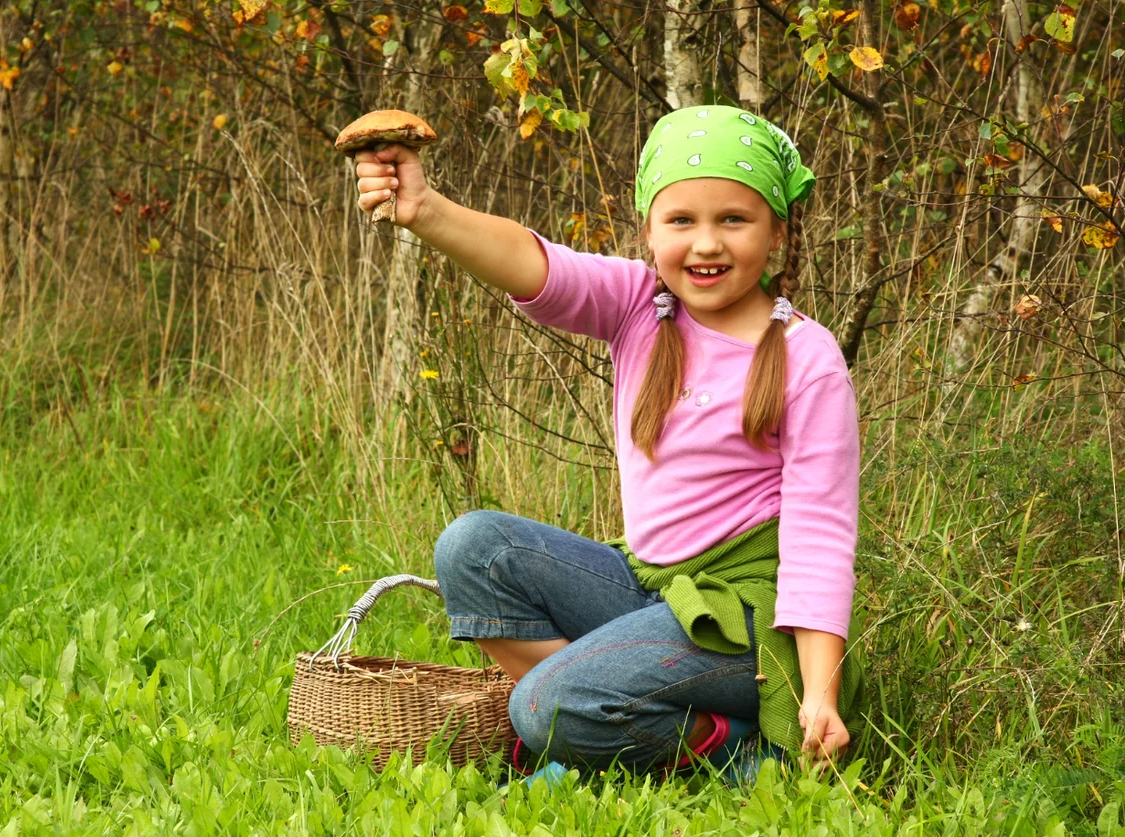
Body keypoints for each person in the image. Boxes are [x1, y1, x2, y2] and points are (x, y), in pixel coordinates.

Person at [351, 105, 862, 781]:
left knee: (543, 706)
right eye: (682, 221)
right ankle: (608, 715)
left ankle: (734, 750)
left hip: (748, 626)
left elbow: (820, 538)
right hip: (651, 589)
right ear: (649, 230)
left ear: (776, 235)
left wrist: (820, 693)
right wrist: (425, 209)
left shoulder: (807, 356)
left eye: (733, 220)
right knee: (473, 547)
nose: (706, 243)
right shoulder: (636, 305)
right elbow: (533, 265)